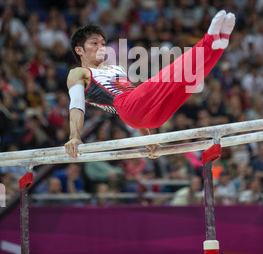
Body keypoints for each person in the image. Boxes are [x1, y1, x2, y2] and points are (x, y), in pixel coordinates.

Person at [64, 10, 236, 159]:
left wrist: (149, 140)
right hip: (125, 107)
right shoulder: (78, 73)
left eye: (102, 43)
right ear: (79, 50)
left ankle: (218, 46)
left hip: (149, 118)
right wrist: (74, 136)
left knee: (187, 81)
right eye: (94, 43)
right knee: (171, 74)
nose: (101, 47)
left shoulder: (116, 69)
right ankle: (209, 39)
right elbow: (77, 105)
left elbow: (140, 102)